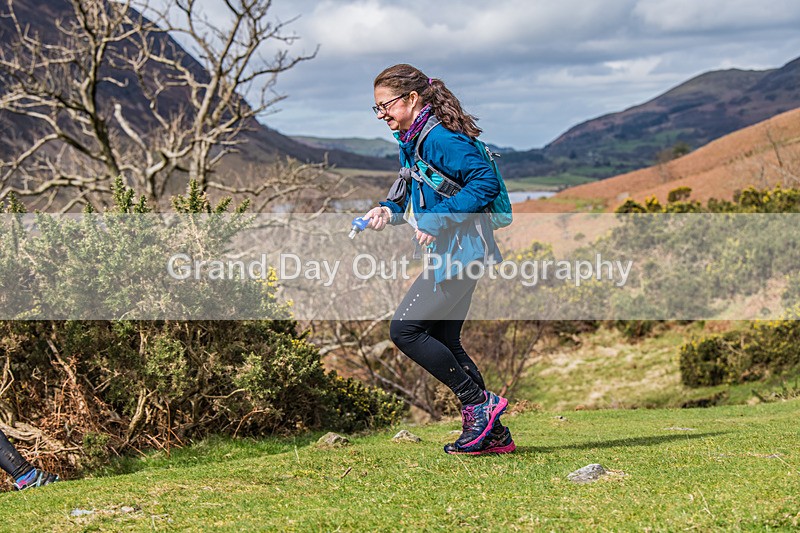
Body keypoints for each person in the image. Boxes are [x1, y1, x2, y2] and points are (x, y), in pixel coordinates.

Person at [363, 64, 515, 455]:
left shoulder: (441, 138)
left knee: (405, 330)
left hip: (462, 252)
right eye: (377, 108)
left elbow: (485, 182)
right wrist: (387, 209)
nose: (381, 115)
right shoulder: (412, 138)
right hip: (454, 251)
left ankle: (479, 403)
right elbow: (415, 185)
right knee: (445, 339)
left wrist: (439, 219)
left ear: (412, 98)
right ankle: (493, 435)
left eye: (386, 105)